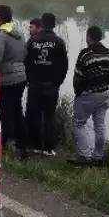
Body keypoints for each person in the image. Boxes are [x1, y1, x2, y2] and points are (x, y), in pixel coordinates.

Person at [70, 25, 109, 166]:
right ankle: (98, 156)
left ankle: (84, 155)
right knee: (100, 125)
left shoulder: (85, 54)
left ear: (89, 37)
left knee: (78, 123)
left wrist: (78, 93)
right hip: (104, 94)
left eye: (87, 36)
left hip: (87, 95)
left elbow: (78, 77)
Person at [25, 12, 69, 156]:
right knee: (49, 117)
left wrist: (29, 80)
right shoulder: (59, 42)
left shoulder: (31, 42)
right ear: (54, 25)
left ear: (42, 24)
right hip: (52, 85)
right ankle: (48, 149)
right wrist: (58, 81)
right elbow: (64, 65)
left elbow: (25, 62)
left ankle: (35, 146)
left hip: (35, 85)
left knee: (34, 116)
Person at [0, 4, 27, 154]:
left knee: (5, 111)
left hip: (6, 79)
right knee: (17, 109)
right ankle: (22, 143)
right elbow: (23, 55)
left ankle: (9, 144)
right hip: (21, 77)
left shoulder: (0, 35)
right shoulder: (18, 33)